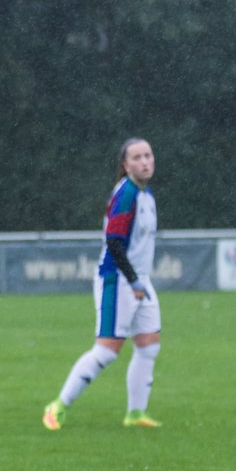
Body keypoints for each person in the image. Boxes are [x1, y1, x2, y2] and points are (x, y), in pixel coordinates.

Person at [43, 138, 162, 430]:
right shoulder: (127, 195)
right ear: (125, 165)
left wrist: (139, 280)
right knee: (107, 350)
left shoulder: (146, 195)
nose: (145, 161)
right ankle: (57, 406)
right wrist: (132, 280)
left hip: (139, 279)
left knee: (148, 345)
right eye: (137, 157)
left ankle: (135, 415)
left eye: (148, 155)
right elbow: (114, 242)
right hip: (117, 279)